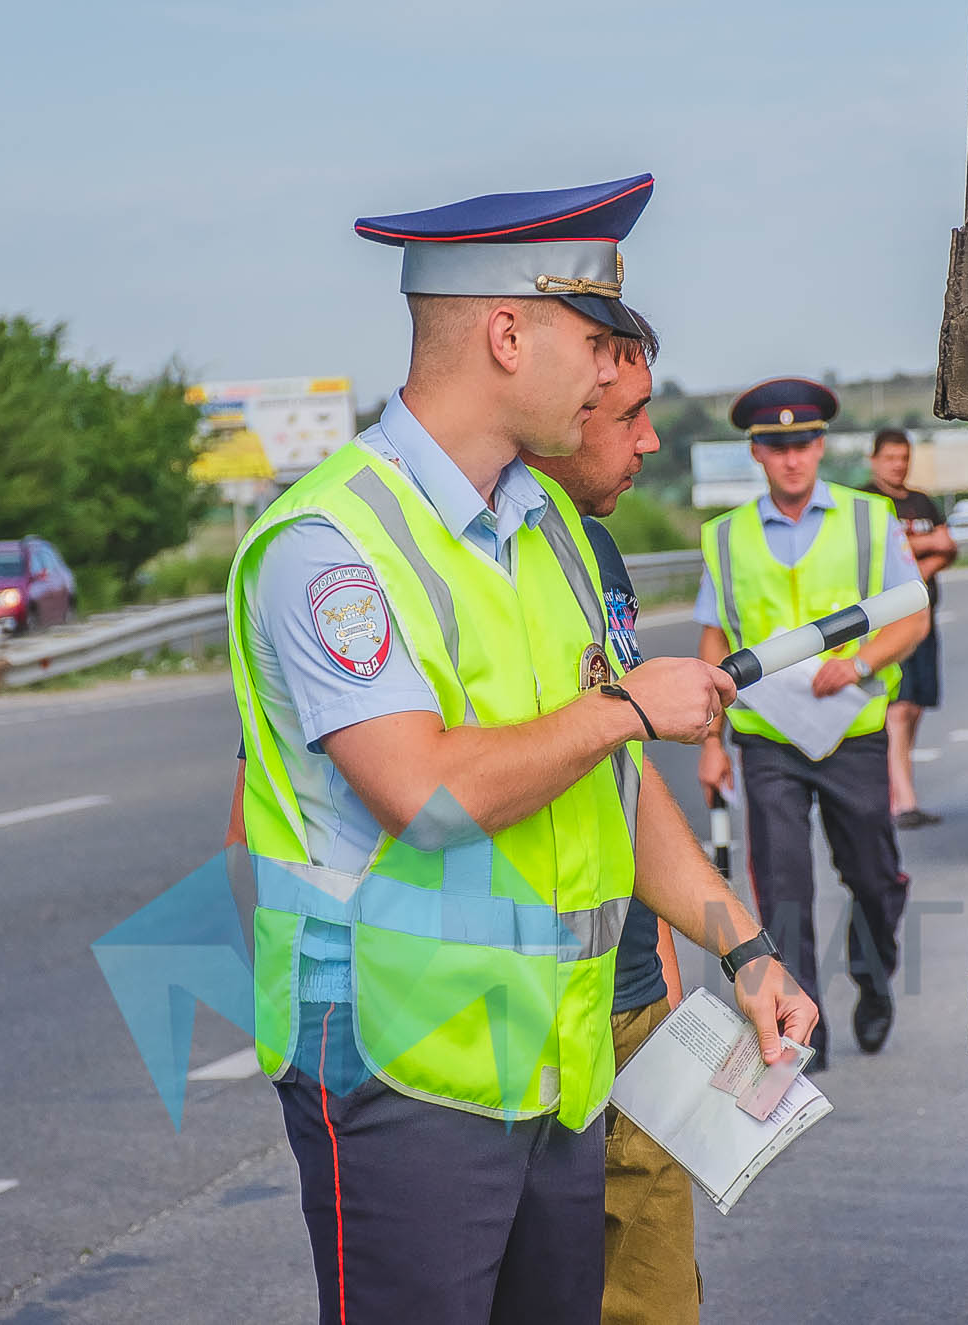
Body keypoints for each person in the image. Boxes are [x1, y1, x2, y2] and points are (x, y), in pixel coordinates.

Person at [226, 175, 816, 1325]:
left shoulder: (544, 533)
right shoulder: (331, 543)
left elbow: (613, 781)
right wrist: (627, 707)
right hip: (401, 1069)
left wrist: (743, 945)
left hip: (558, 1061)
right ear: (506, 333)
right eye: (595, 341)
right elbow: (424, 791)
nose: (613, 374)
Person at [521, 315, 702, 1325]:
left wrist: (669, 962)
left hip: (624, 997)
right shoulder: (430, 557)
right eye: (628, 416)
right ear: (557, 410)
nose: (648, 442)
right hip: (508, 1020)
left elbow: (618, 772)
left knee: (652, 1298)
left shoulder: (591, 549)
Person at [693, 379, 930, 1065]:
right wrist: (712, 744)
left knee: (876, 879)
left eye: (802, 444)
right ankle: (806, 1036)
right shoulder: (727, 537)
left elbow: (911, 615)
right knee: (784, 888)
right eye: (776, 447)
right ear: (756, 454)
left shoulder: (868, 520)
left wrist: (858, 665)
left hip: (851, 732)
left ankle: (873, 973)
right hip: (769, 742)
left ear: (821, 445)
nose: (792, 458)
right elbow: (714, 639)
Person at [860, 428, 957, 828]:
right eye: (890, 458)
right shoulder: (865, 501)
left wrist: (914, 573)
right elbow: (878, 551)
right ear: (874, 460)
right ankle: (902, 800)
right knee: (896, 710)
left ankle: (898, 789)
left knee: (915, 707)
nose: (898, 465)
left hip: (923, 619)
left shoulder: (922, 501)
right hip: (887, 622)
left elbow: (949, 547)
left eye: (904, 457)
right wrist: (921, 547)